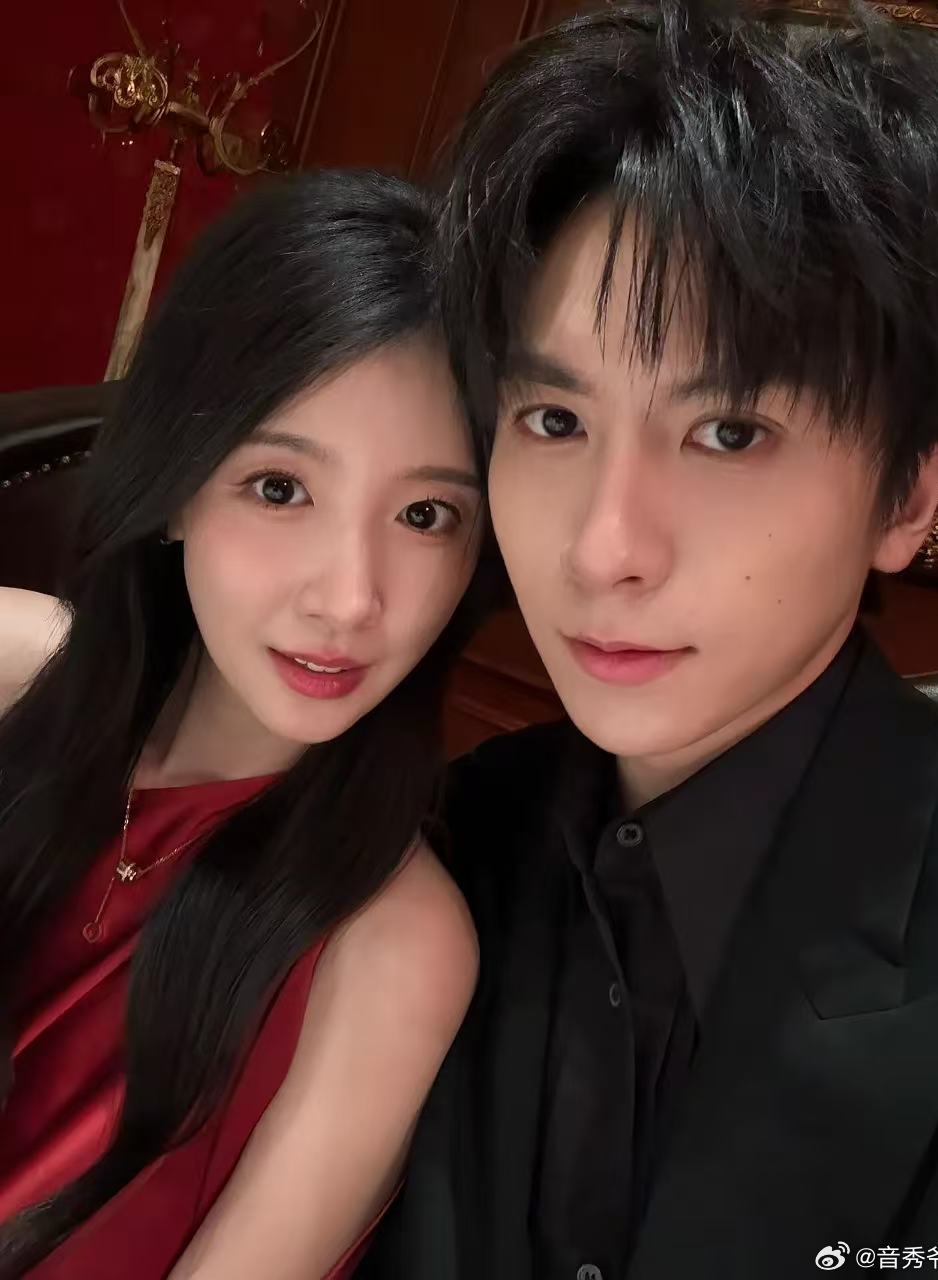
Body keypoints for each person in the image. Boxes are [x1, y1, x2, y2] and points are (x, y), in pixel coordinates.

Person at [360, 5, 938, 1278]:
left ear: (908, 493)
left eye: (729, 432)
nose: (602, 549)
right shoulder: (442, 840)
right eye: (554, 420)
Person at [0, 169, 495, 1279]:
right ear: (179, 486)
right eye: (281, 488)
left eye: (426, 514)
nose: (351, 598)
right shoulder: (11, 671)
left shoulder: (392, 948)